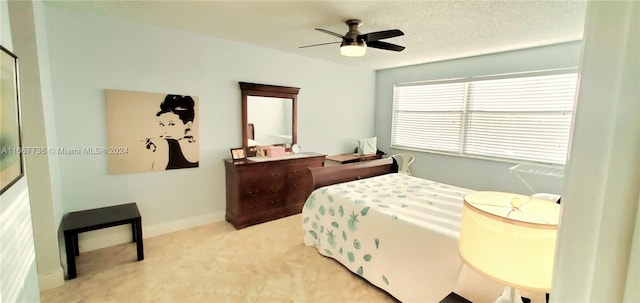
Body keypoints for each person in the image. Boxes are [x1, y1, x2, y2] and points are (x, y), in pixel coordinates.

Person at [145, 95, 199, 170]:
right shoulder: (199, 146)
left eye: (171, 124)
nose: (165, 130)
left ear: (188, 125)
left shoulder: (163, 145)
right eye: (162, 124)